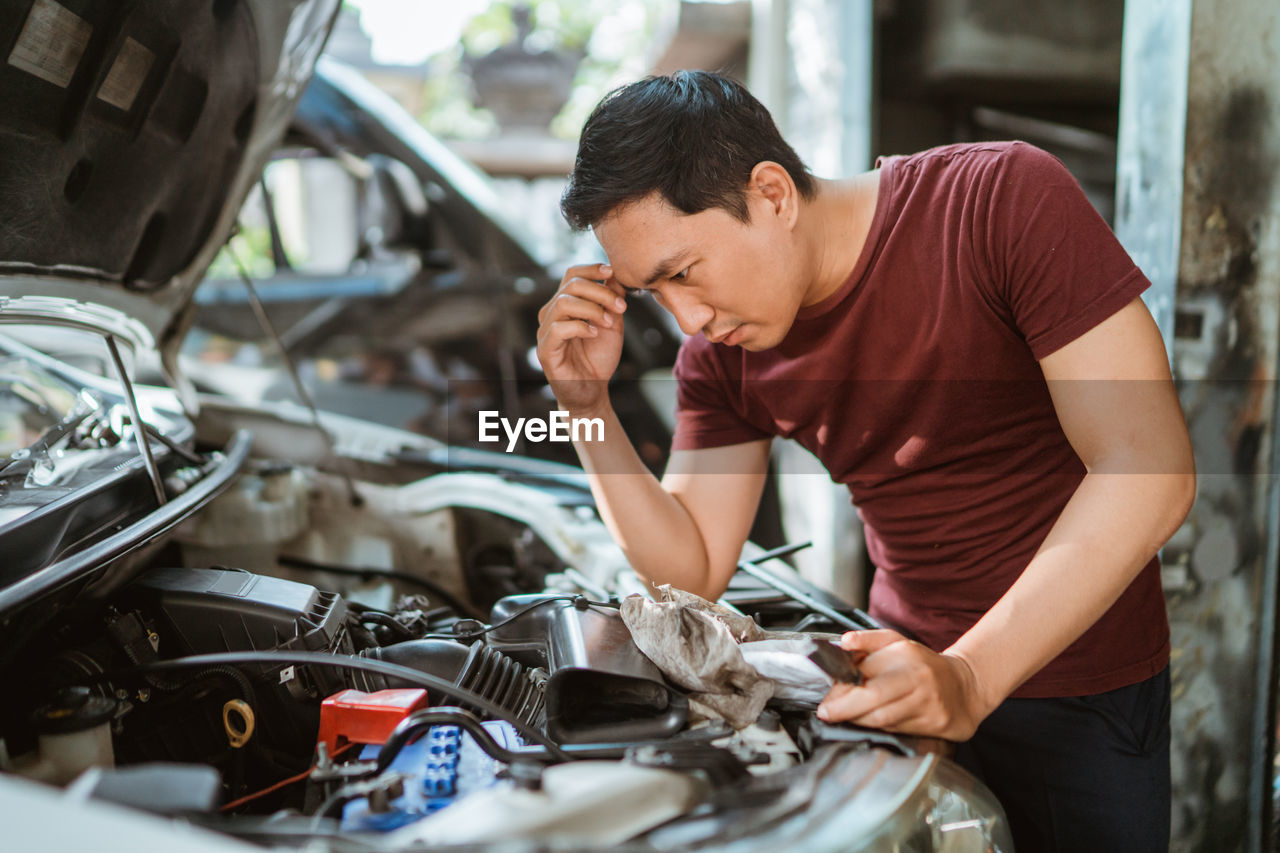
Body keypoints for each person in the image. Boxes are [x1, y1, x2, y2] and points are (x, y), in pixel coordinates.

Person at [535, 70, 1194, 852]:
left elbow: (1147, 466)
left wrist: (973, 677)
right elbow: (692, 565)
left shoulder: (998, 201)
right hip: (895, 683)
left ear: (773, 194)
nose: (691, 320)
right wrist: (585, 408)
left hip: (1078, 684)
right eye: (654, 294)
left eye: (683, 272)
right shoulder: (722, 361)